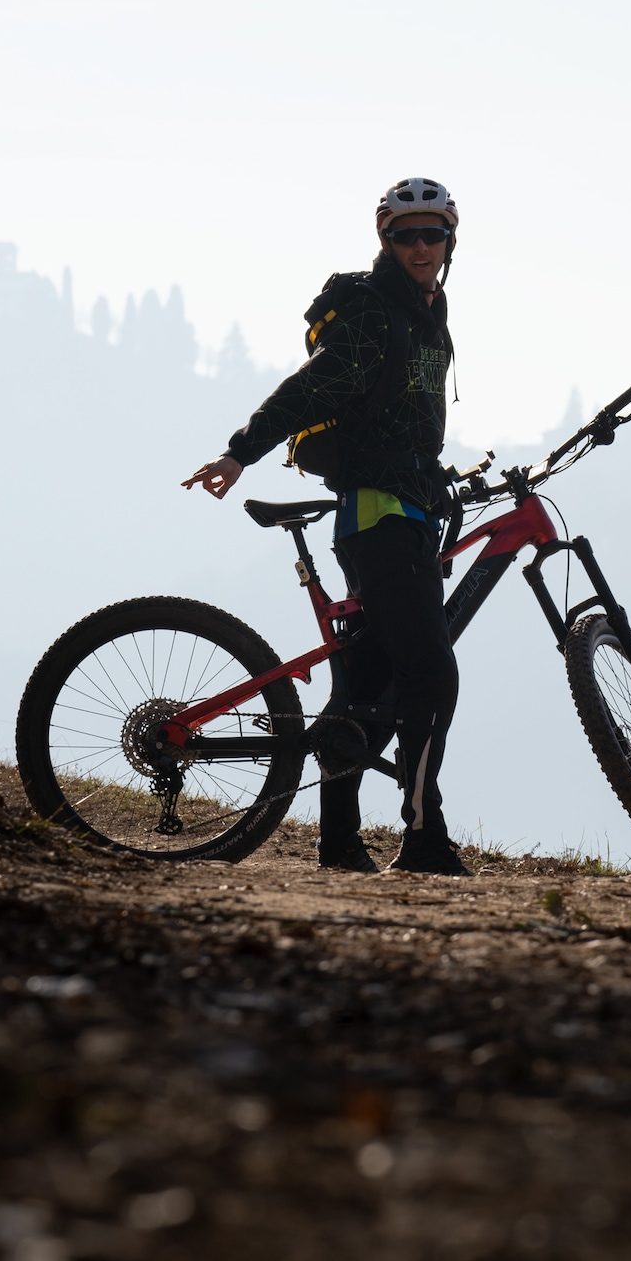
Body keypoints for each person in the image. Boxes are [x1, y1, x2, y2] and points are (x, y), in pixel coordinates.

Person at [182, 177, 469, 878]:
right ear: (386, 242)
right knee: (430, 672)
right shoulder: (374, 314)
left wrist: (436, 476)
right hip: (377, 515)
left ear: (450, 240)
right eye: (407, 237)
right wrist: (241, 451)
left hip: (407, 506)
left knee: (367, 681)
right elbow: (312, 386)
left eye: (432, 234)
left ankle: (338, 842)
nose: (421, 247)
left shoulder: (428, 310)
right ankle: (423, 837)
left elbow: (406, 417)